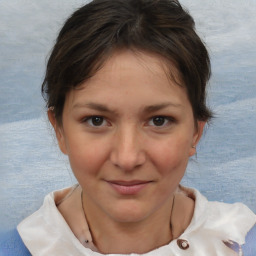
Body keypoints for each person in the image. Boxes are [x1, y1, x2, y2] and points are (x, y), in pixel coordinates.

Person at [16, 0, 255, 255]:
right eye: (96, 120)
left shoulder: (243, 241)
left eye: (159, 120)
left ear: (196, 132)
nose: (127, 158)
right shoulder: (17, 247)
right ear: (59, 130)